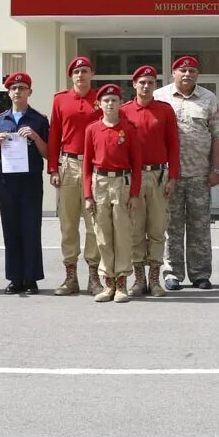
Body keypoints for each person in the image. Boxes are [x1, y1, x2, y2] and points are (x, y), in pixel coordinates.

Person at [154, 55, 219, 291]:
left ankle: (200, 274)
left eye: (192, 71)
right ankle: (172, 273)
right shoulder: (160, 97)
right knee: (171, 227)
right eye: (182, 70)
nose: (187, 74)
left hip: (199, 174)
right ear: (173, 73)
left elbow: (218, 137)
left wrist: (216, 170)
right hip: (168, 176)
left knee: (200, 227)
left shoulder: (208, 98)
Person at [120, 65, 180, 298]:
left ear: (155, 86)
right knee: (135, 229)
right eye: (142, 82)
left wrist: (172, 177)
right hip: (133, 177)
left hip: (158, 176)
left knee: (157, 229)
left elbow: (174, 145)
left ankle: (155, 279)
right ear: (134, 84)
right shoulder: (124, 111)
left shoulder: (164, 110)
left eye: (150, 82)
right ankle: (139, 280)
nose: (146, 86)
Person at [47, 56, 103, 297]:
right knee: (68, 224)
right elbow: (54, 134)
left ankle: (93, 277)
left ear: (92, 75)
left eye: (85, 71)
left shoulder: (101, 99)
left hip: (95, 167)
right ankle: (71, 278)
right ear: (72, 76)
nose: (81, 75)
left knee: (94, 224)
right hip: (69, 165)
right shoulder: (60, 100)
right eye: (77, 71)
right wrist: (52, 168)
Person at [82, 84, 142, 304]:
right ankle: (108, 284)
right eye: (106, 100)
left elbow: (137, 165)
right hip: (99, 183)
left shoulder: (129, 128)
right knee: (103, 236)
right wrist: (88, 195)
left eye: (114, 100)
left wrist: (134, 194)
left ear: (120, 103)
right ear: (99, 104)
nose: (110, 104)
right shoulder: (92, 129)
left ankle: (122, 284)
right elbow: (86, 165)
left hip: (122, 184)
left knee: (123, 235)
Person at [0, 72, 50, 295]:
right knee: (11, 229)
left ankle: (31, 277)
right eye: (14, 88)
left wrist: (36, 138)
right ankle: (15, 278)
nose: (18, 91)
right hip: (7, 181)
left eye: (22, 88)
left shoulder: (39, 119)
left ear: (29, 92)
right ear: (8, 92)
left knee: (31, 228)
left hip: (30, 181)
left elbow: (47, 154)